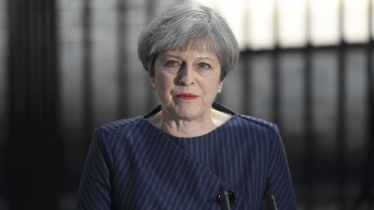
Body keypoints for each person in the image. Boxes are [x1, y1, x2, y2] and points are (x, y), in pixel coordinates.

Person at [76, 1, 297, 209]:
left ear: (221, 78)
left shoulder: (262, 140)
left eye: (203, 65)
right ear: (152, 73)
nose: (187, 78)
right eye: (173, 63)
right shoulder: (113, 144)